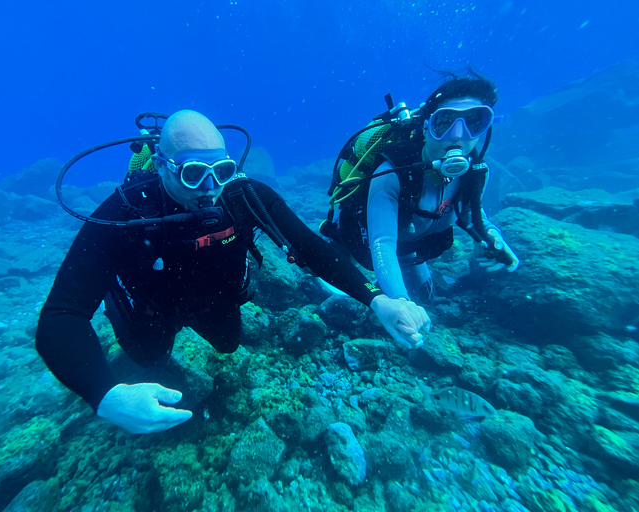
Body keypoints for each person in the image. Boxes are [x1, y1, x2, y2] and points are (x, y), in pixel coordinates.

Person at [36, 110, 431, 435]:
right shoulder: (125, 212)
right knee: (148, 356)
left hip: (213, 297)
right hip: (152, 308)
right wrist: (104, 395)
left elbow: (310, 247)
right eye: (193, 174)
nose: (210, 188)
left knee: (227, 344)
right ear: (161, 167)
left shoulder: (242, 194)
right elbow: (60, 314)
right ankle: (118, 300)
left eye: (221, 170)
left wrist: (377, 299)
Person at [321, 71, 519, 322]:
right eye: (444, 122)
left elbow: (472, 214)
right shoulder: (392, 174)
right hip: (367, 240)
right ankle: (337, 251)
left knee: (426, 300)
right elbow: (381, 242)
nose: (458, 135)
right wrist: (399, 302)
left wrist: (493, 238)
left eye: (473, 122)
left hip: (410, 249)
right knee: (329, 292)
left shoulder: (475, 174)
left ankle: (398, 270)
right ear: (426, 127)